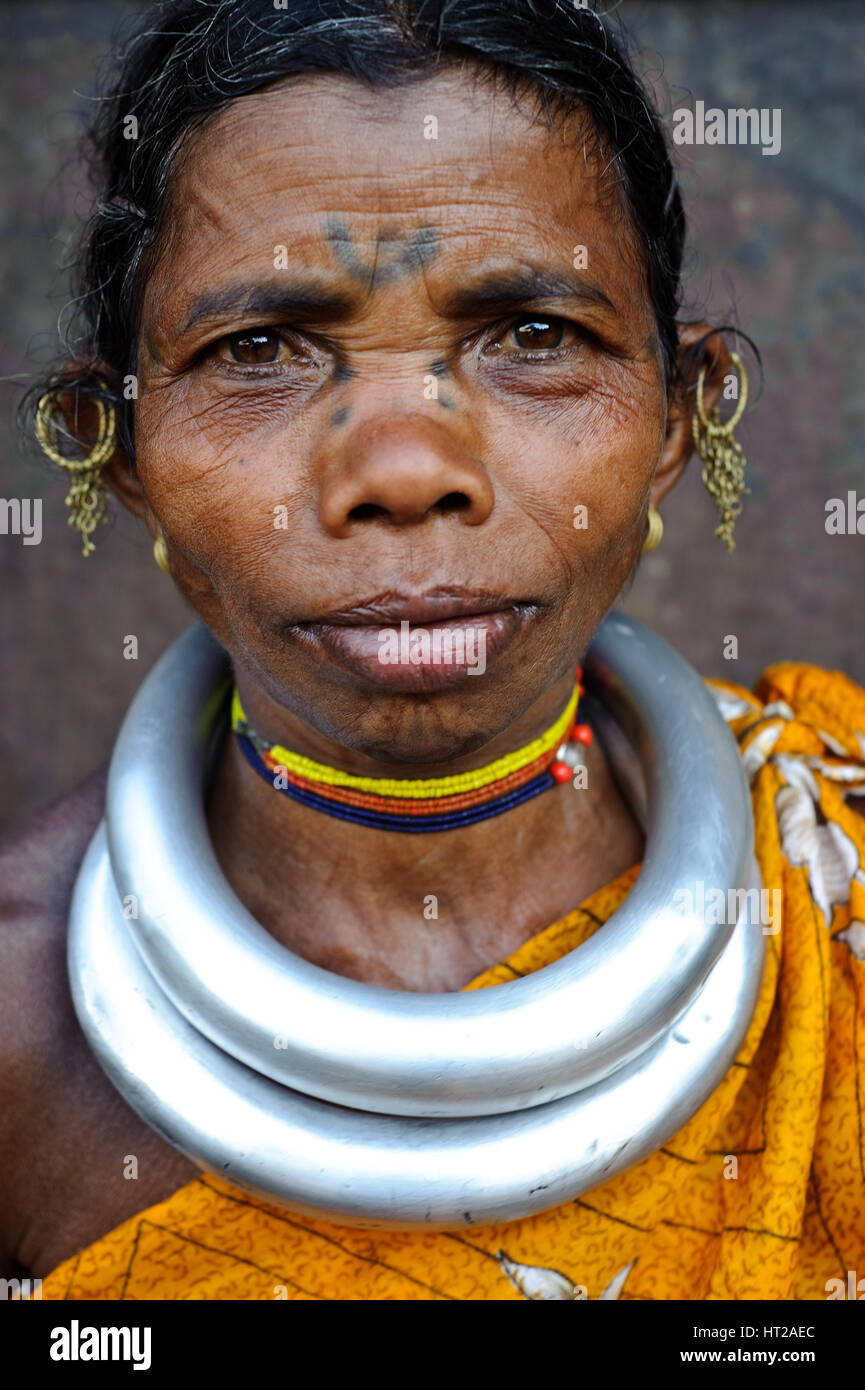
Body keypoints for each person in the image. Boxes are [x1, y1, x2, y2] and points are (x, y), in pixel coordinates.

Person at [2, 0, 864, 1302]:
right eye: (262, 350)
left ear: (681, 416)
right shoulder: (19, 1022)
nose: (405, 471)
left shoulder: (836, 871)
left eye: (531, 335)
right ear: (113, 446)